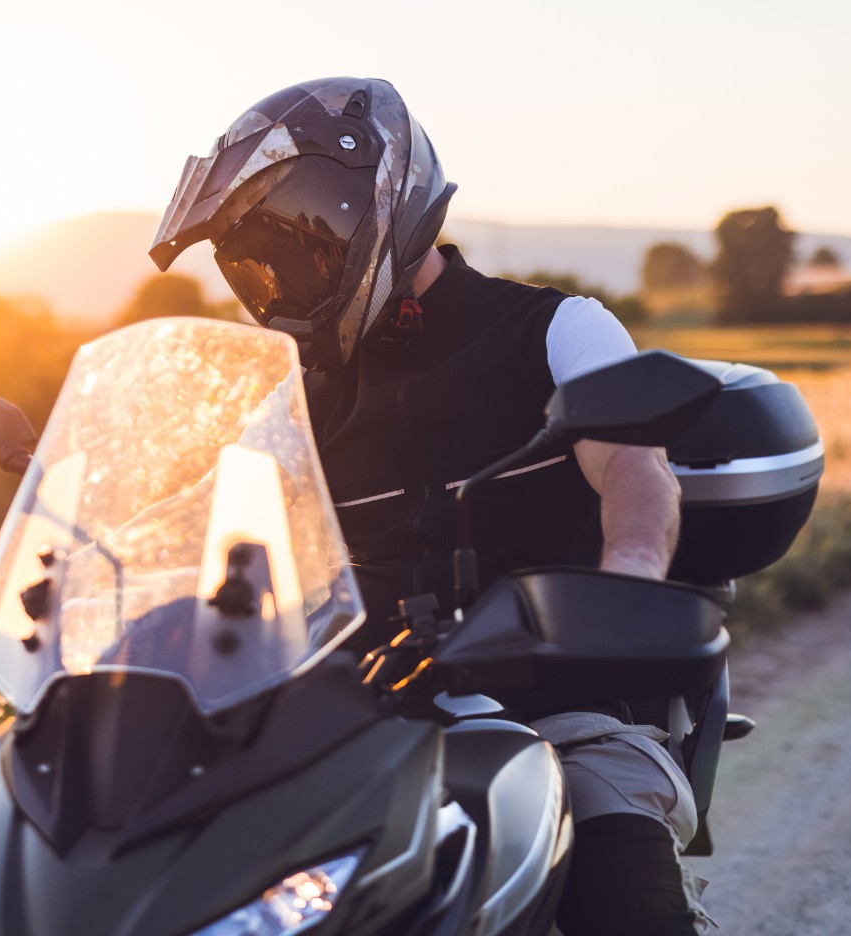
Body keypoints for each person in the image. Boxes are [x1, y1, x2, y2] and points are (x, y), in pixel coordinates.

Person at [149, 76, 712, 935]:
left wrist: (623, 592)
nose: (280, 280)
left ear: (376, 207)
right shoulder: (291, 402)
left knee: (621, 897)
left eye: (296, 245)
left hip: (561, 715)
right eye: (257, 260)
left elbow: (636, 474)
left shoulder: (556, 330)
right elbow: (230, 546)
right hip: (360, 731)